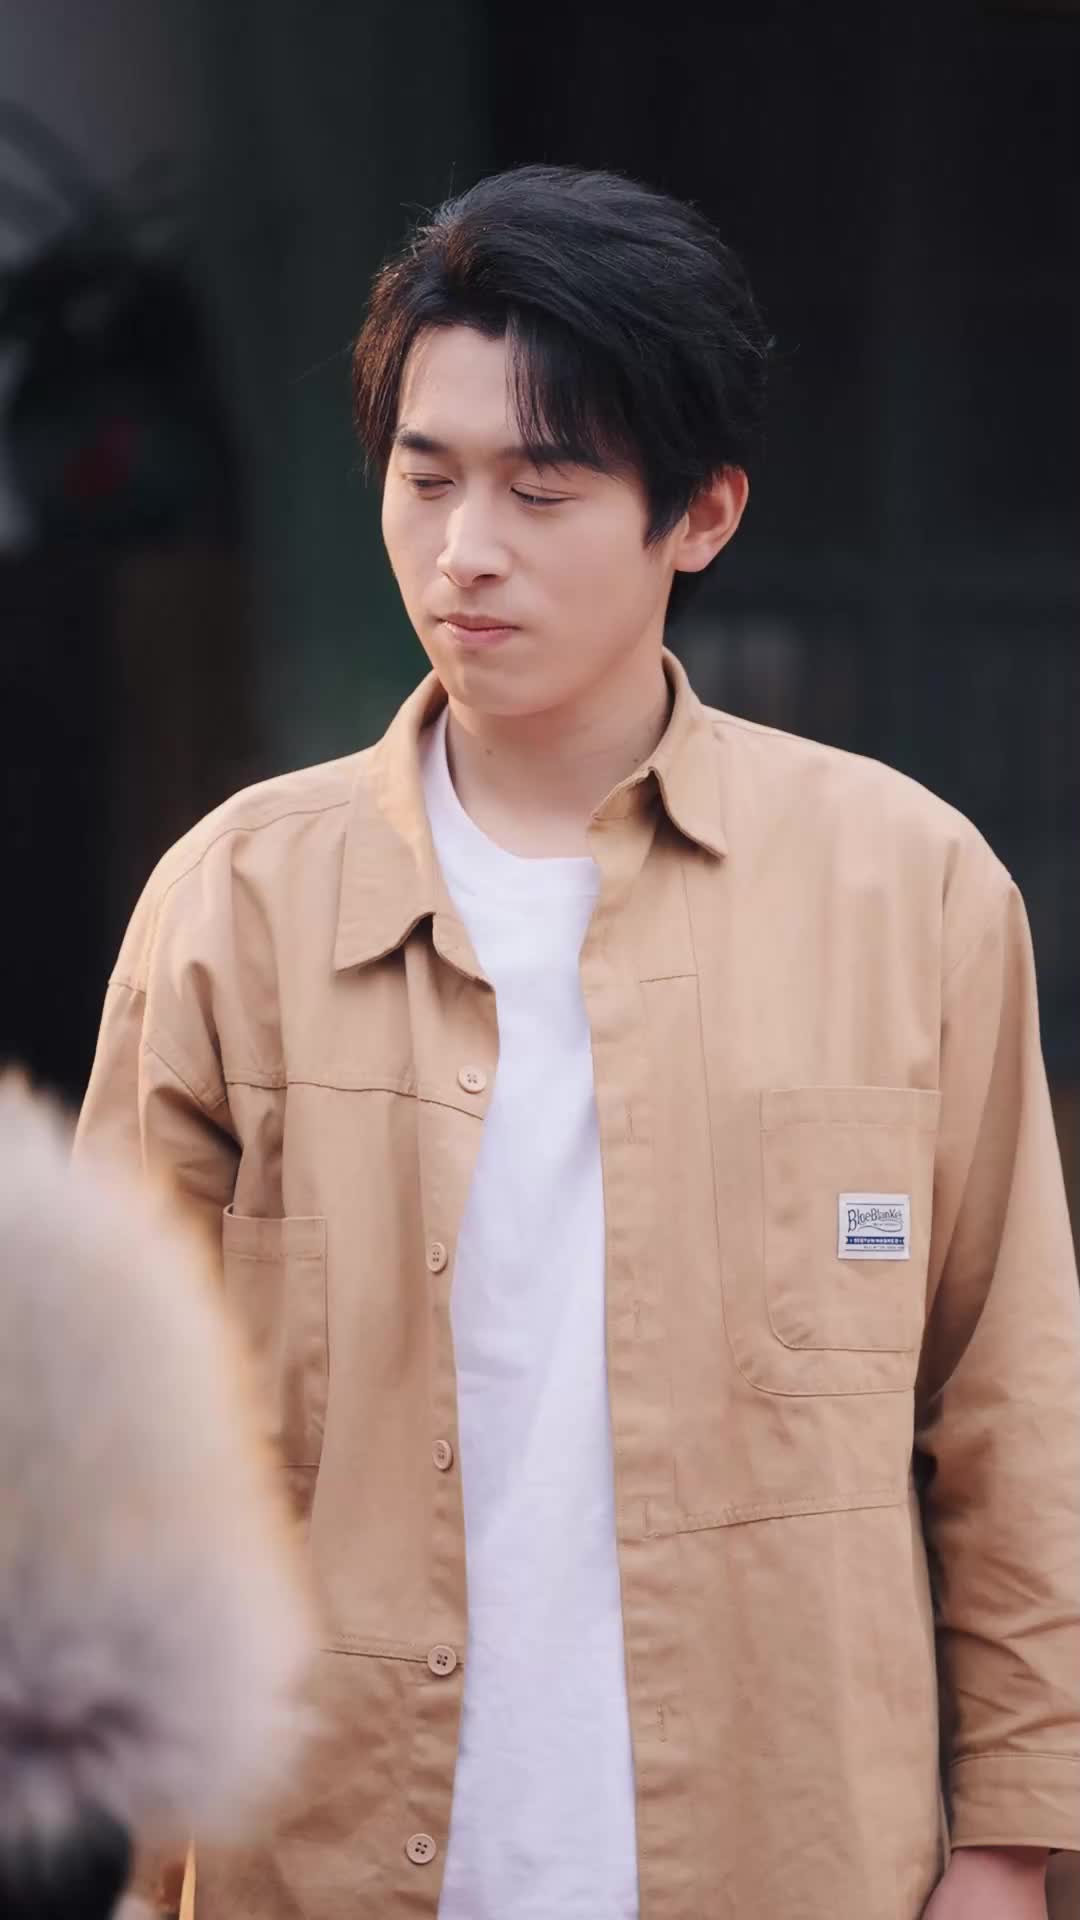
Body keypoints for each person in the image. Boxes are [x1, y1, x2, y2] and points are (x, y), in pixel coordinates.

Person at [75, 165, 1080, 1920]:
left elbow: (1011, 1410)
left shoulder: (909, 892)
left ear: (703, 514)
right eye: (427, 477)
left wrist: (1007, 1853)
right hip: (323, 1866)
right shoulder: (233, 906)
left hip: (789, 1861)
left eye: (542, 489)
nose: (467, 547)